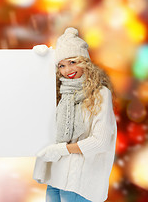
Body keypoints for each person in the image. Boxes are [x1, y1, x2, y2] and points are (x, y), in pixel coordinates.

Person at [32, 27, 117, 202]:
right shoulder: (59, 92)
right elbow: (26, 100)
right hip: (55, 177)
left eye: (72, 62)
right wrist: (37, 62)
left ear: (84, 61)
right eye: (61, 65)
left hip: (80, 183)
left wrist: (61, 149)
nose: (67, 70)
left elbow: (100, 141)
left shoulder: (100, 93)